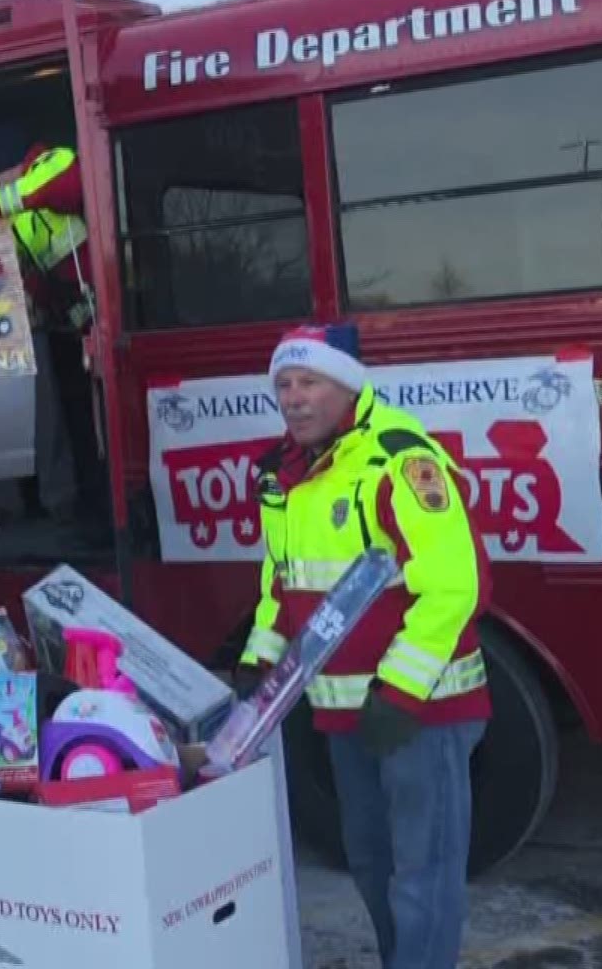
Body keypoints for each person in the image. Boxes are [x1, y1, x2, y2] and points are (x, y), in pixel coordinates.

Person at [236, 324, 491, 969]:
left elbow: (457, 586)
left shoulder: (400, 462)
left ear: (348, 387)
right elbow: (282, 579)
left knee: (422, 876)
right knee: (373, 864)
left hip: (420, 713)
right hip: (343, 713)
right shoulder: (285, 475)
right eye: (283, 385)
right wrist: (258, 659)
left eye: (309, 383)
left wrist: (402, 693)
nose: (293, 399)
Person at [0, 122, 95, 525]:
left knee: (49, 418)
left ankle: (62, 504)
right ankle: (6, 511)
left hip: (46, 319)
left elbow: (58, 190)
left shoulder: (48, 165)